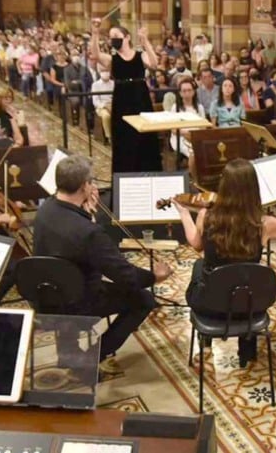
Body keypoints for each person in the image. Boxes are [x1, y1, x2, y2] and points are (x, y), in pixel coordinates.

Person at [33, 155, 172, 376]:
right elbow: (125, 276)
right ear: (84, 186)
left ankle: (67, 350)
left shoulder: (45, 209)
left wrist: (89, 217)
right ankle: (92, 357)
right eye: (91, 181)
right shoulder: (88, 232)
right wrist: (155, 277)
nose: (94, 185)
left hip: (46, 296)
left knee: (72, 281)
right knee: (143, 300)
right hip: (79, 301)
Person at [177, 159, 276, 365]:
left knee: (201, 266)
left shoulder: (206, 215)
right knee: (246, 278)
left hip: (210, 304)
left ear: (223, 186)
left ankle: (206, 338)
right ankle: (247, 352)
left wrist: (183, 213)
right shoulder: (264, 224)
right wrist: (273, 222)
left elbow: (196, 245)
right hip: (251, 305)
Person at [90, 20, 163, 174]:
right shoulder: (112, 59)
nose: (113, 39)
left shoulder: (140, 55)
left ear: (127, 37)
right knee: (124, 139)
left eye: (116, 35)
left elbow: (155, 64)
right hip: (122, 99)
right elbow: (95, 55)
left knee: (145, 138)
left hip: (140, 97)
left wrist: (145, 41)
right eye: (111, 37)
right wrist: (95, 33)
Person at [169, 76, 205, 159]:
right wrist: (187, 134)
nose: (187, 93)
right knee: (193, 153)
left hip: (196, 136)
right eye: (184, 91)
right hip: (180, 138)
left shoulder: (199, 107)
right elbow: (173, 130)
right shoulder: (175, 108)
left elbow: (203, 126)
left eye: (189, 90)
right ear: (180, 93)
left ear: (194, 92)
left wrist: (194, 134)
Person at [91, 68, 114, 143]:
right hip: (101, 107)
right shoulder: (95, 85)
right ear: (100, 73)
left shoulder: (113, 83)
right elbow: (95, 101)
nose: (106, 73)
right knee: (106, 116)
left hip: (112, 104)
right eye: (103, 71)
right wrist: (105, 106)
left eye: (107, 71)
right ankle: (109, 136)